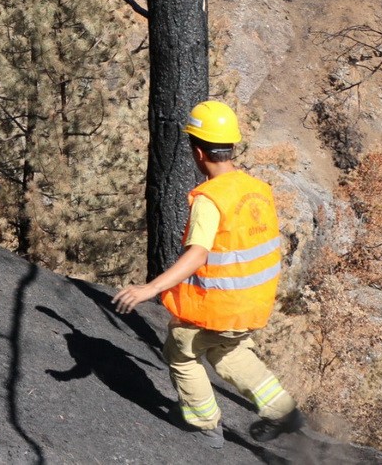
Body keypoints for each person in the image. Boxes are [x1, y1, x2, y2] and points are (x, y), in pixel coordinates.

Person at [112, 101, 305, 449]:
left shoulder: (209, 200)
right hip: (251, 304)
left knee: (181, 351)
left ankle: (203, 422)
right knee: (228, 352)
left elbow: (198, 254)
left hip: (218, 307)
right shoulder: (256, 190)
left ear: (198, 152)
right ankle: (282, 410)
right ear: (230, 146)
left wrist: (149, 289)